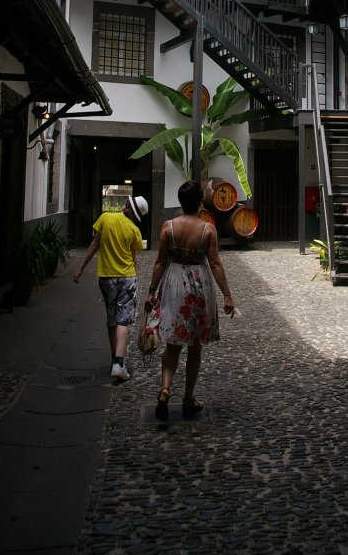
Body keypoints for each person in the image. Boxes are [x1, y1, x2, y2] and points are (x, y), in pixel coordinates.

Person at [144, 180, 234, 421]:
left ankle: (165, 390)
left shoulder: (168, 227)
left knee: (172, 344)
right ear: (200, 202)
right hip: (197, 286)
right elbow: (215, 264)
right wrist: (226, 294)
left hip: (173, 283)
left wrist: (152, 291)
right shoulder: (208, 230)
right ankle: (188, 398)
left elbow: (160, 262)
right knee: (195, 346)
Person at [74, 194, 149, 381]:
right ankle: (119, 362)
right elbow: (133, 258)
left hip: (106, 277)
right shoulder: (134, 230)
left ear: (125, 205)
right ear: (136, 216)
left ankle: (114, 358)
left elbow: (94, 245)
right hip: (126, 277)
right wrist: (136, 278)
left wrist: (81, 268)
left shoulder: (105, 218)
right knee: (123, 320)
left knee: (111, 317)